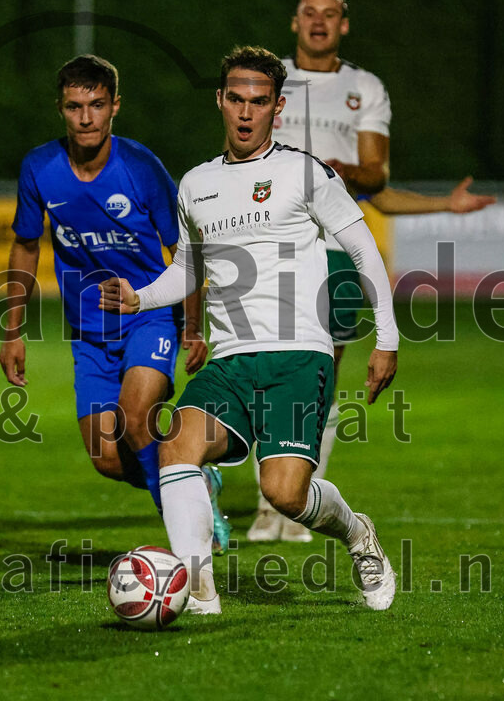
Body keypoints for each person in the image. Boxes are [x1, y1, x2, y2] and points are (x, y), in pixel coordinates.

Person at [101, 46, 400, 613]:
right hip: (231, 361)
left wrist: (387, 338)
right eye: (235, 99)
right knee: (177, 446)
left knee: (284, 494)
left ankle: (358, 533)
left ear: (276, 108)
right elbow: (187, 270)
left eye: (258, 102)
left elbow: (363, 251)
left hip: (296, 357)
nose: (245, 113)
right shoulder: (195, 184)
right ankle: (198, 590)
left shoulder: (304, 171)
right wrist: (139, 297)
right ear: (219, 100)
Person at [246, 0, 496, 542]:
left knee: (317, 374)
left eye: (329, 14)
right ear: (294, 22)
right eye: (309, 13)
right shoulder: (265, 83)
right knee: (264, 369)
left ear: (344, 25)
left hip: (332, 249)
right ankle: (270, 500)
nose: (318, 22)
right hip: (268, 245)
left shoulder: (364, 87)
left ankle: (295, 499)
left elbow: (375, 181)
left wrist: (440, 206)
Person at [0, 55, 223, 543]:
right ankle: (194, 480)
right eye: (75, 106)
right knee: (107, 459)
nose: (85, 118)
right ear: (60, 108)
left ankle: (191, 543)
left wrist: (193, 324)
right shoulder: (39, 168)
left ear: (114, 106)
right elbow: (25, 244)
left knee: (135, 418)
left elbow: (183, 248)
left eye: (96, 105)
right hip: (88, 332)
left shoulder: (141, 167)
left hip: (148, 315)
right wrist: (12, 331)